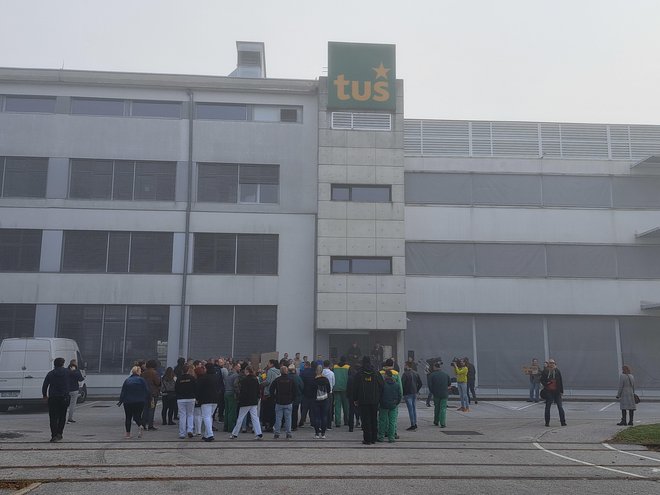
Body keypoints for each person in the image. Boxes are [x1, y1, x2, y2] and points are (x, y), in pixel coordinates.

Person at [352, 356, 384, 445]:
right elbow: (382, 385)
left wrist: (355, 399)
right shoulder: (376, 373)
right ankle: (374, 438)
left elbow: (355, 388)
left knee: (365, 420)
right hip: (374, 400)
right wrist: (379, 397)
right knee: (374, 419)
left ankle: (367, 439)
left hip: (363, 401)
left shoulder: (359, 374)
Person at [230, 366, 263, 440]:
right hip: (254, 401)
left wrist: (240, 399)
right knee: (255, 418)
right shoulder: (255, 379)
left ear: (247, 371)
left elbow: (243, 392)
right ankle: (259, 433)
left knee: (240, 418)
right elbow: (258, 390)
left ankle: (234, 434)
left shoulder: (244, 380)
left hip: (245, 402)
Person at [42, 357, 70, 443]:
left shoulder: (50, 374)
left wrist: (44, 395)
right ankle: (59, 433)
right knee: (62, 416)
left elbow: (45, 385)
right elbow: (78, 377)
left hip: (53, 397)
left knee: (53, 417)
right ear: (62, 364)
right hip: (64, 397)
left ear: (54, 364)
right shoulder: (67, 372)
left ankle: (53, 435)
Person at [118, 365, 150, 439]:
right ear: (138, 372)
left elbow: (123, 391)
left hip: (128, 401)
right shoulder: (142, 380)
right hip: (140, 401)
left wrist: (121, 400)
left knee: (128, 417)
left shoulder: (127, 380)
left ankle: (128, 434)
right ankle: (140, 425)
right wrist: (146, 398)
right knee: (137, 416)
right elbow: (147, 391)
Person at [196, 362, 220, 441]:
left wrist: (197, 398)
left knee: (206, 417)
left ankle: (210, 434)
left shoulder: (204, 378)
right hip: (215, 400)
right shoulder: (217, 377)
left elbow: (198, 389)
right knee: (210, 417)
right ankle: (206, 434)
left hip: (205, 400)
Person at [270, 365, 295, 439]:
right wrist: (292, 399)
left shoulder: (277, 380)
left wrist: (274, 397)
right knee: (288, 418)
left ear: (280, 372)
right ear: (287, 371)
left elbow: (271, 389)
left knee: (278, 418)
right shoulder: (291, 380)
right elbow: (295, 391)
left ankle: (277, 433)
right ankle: (288, 433)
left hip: (279, 401)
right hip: (288, 401)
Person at [377, 369, 402, 443]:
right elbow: (399, 395)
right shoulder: (396, 385)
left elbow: (379, 395)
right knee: (392, 421)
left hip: (383, 405)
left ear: (386, 375)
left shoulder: (382, 384)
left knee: (382, 421)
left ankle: (381, 437)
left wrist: (380, 403)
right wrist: (396, 403)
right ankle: (391, 437)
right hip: (393, 405)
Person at [540, 359, 566, 427]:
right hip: (549, 392)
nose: (551, 364)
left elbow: (560, 381)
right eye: (550, 363)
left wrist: (561, 391)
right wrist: (546, 383)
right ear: (548, 364)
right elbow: (542, 380)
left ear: (555, 363)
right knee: (547, 407)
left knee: (560, 407)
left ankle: (563, 422)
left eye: (553, 363)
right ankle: (547, 422)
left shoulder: (557, 371)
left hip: (557, 392)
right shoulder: (545, 371)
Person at [427, 361, 451, 427]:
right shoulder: (446, 374)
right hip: (444, 393)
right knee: (443, 408)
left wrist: (432, 391)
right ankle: (443, 423)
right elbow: (449, 384)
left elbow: (430, 385)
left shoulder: (431, 375)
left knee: (437, 407)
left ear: (434, 367)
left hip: (436, 394)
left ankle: (436, 421)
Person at [175, 364, 196, 439]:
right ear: (188, 370)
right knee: (190, 414)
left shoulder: (179, 379)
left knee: (182, 415)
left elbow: (176, 388)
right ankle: (190, 429)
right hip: (191, 398)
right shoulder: (192, 378)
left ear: (182, 371)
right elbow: (195, 388)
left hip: (181, 399)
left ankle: (182, 433)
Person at [311, 365, 331, 439]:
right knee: (324, 417)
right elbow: (329, 390)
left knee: (317, 417)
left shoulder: (314, 380)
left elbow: (311, 391)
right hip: (325, 400)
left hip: (316, 400)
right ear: (322, 371)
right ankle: (323, 434)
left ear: (316, 371)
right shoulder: (326, 380)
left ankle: (316, 434)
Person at [401, 361, 422, 430]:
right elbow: (420, 383)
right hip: (414, 393)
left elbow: (402, 385)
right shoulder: (416, 373)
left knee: (410, 409)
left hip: (407, 393)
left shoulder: (405, 374)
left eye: (405, 365)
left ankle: (413, 424)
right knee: (413, 408)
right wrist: (417, 390)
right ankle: (415, 423)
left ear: (407, 365)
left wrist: (402, 393)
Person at [141, 359, 161, 431]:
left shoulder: (143, 373)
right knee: (151, 409)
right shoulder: (154, 373)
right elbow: (158, 382)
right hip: (153, 394)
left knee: (145, 409)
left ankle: (143, 424)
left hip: (145, 393)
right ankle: (150, 425)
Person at [223, 362, 241, 433]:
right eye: (239, 367)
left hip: (226, 393)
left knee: (227, 410)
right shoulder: (236, 375)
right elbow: (235, 385)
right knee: (232, 412)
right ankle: (231, 428)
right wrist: (238, 392)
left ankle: (226, 426)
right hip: (232, 394)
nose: (240, 368)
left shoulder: (228, 374)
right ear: (235, 367)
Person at [332, 357, 350, 428]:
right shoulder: (348, 367)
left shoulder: (335, 367)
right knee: (346, 406)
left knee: (337, 406)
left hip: (336, 388)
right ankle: (346, 421)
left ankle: (337, 422)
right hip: (345, 389)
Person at [66, 359, 84, 423]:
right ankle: (70, 418)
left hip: (66, 390)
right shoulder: (77, 371)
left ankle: (63, 417)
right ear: (75, 364)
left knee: (65, 404)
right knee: (72, 405)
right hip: (74, 390)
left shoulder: (66, 370)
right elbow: (81, 379)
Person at [322, 360, 335, 430]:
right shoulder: (332, 373)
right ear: (329, 365)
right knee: (329, 409)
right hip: (329, 393)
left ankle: (322, 424)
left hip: (321, 393)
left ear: (323, 364)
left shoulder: (321, 372)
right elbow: (333, 383)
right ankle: (328, 425)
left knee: (322, 409)